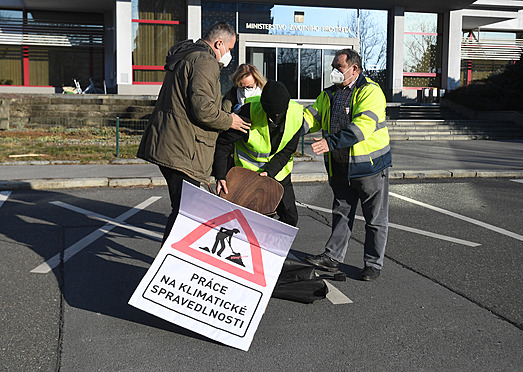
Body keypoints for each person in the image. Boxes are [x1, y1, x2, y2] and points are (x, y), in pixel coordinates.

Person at [137, 22, 251, 244]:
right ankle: (168, 264)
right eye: (229, 49)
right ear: (219, 43)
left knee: (183, 209)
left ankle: (171, 260)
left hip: (171, 144)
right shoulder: (205, 61)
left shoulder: (188, 56)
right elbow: (203, 109)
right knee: (184, 212)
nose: (229, 55)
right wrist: (231, 121)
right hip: (183, 149)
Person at [302, 49, 391, 281]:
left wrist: (329, 143)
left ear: (355, 69)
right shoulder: (329, 94)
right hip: (340, 167)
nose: (334, 71)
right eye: (333, 66)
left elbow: (362, 127)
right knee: (341, 213)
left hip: (368, 167)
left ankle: (372, 264)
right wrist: (288, 127)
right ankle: (332, 257)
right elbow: (311, 116)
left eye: (339, 67)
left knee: (375, 219)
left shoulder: (370, 91)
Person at [213, 80, 305, 227]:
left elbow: (287, 151)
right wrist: (221, 175)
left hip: (278, 173)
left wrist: (270, 172)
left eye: (276, 114)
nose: (271, 118)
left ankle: (270, 246)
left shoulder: (297, 114)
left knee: (290, 218)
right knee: (245, 220)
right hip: (246, 175)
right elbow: (224, 144)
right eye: (269, 113)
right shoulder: (249, 111)